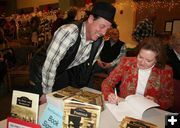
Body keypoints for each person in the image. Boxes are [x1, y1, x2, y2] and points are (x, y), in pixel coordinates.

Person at [29, 2, 116, 104]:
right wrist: (46, 94)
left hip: (62, 71)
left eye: (107, 29)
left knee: (63, 105)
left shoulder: (99, 42)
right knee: (42, 109)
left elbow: (86, 70)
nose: (104, 33)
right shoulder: (69, 32)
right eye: (102, 26)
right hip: (41, 71)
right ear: (91, 19)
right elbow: (50, 65)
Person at [101, 37, 174, 110]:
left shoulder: (165, 71)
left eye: (148, 61)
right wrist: (109, 94)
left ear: (157, 60)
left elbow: (169, 100)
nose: (142, 63)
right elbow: (107, 83)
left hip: (149, 111)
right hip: (124, 106)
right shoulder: (126, 63)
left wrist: (156, 101)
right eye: (140, 57)